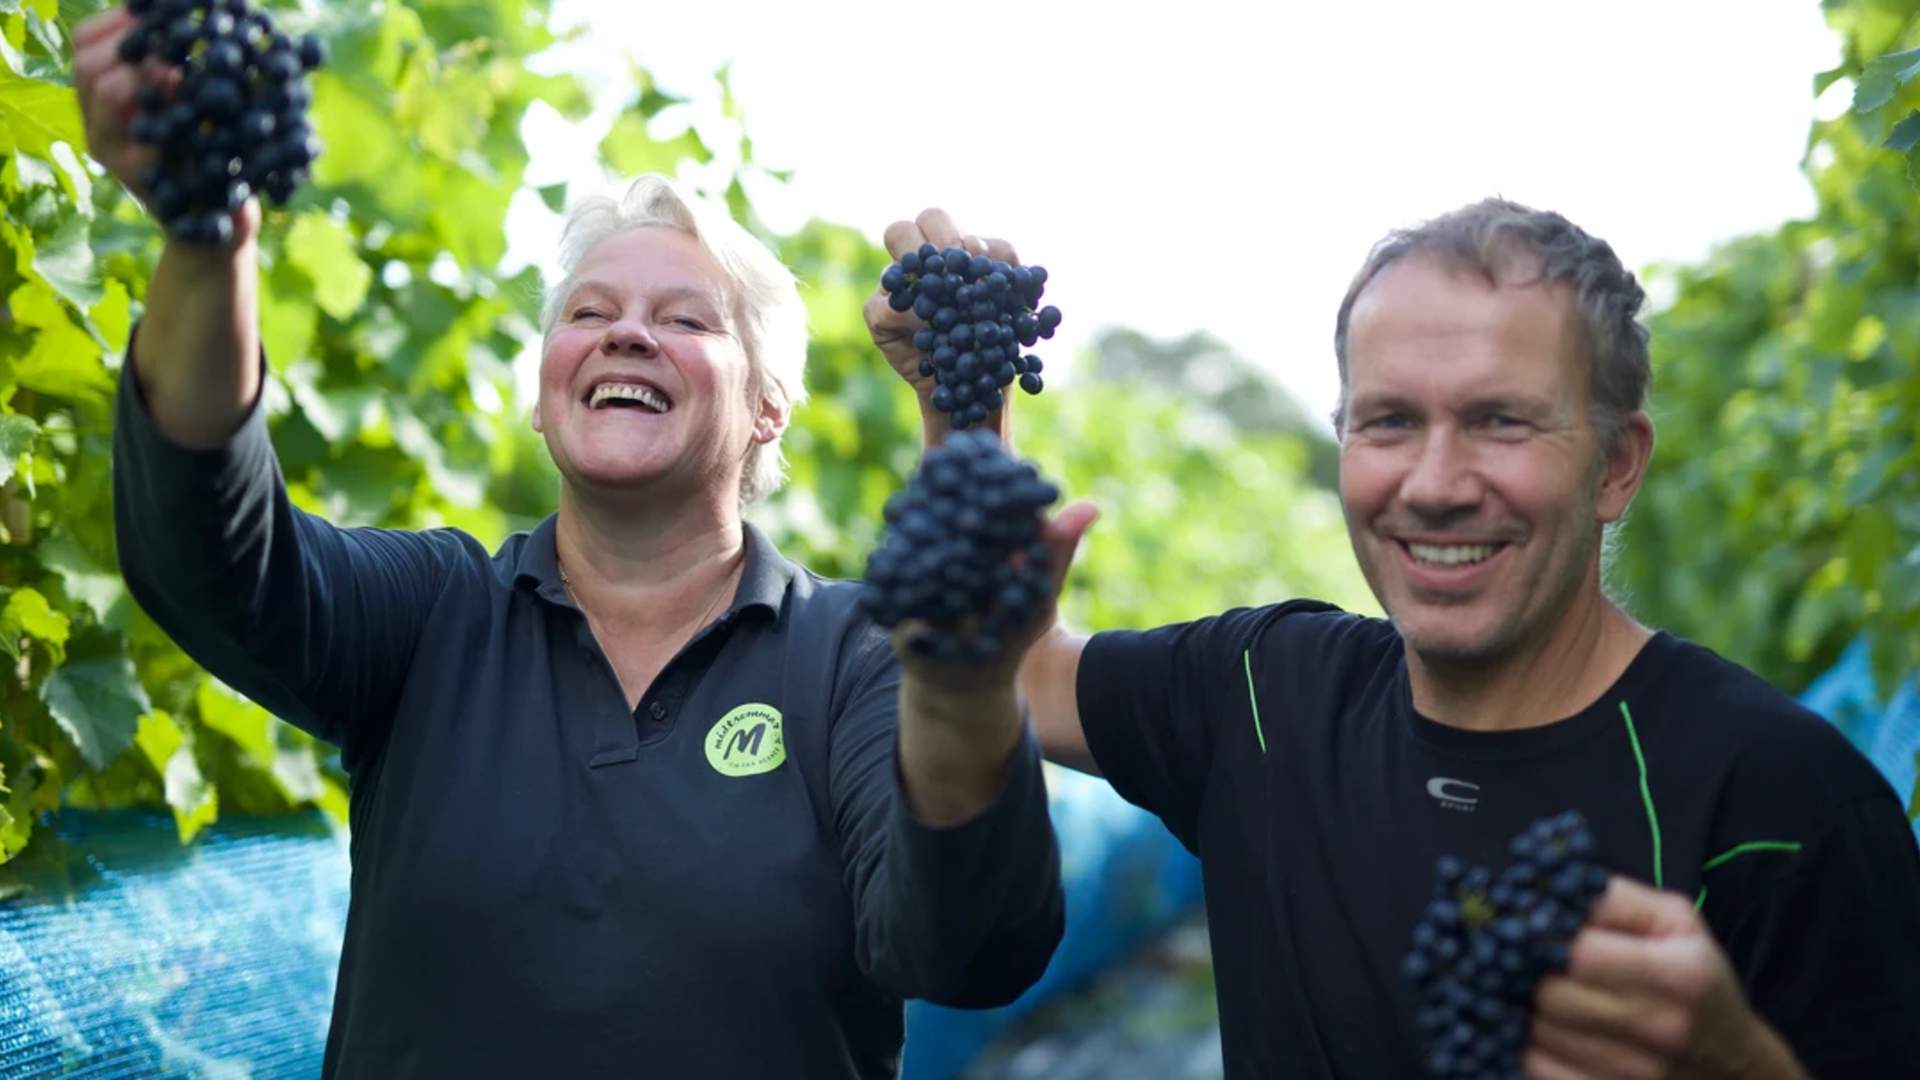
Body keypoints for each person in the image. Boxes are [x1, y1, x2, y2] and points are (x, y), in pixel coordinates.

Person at [75, 8, 1066, 1078]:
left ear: (770, 407)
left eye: (686, 321)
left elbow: (964, 945)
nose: (627, 333)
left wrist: (966, 470)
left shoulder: (855, 657)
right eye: (589, 313)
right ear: (547, 400)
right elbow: (212, 554)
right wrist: (206, 235)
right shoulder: (434, 618)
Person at [868, 200, 1920, 1077]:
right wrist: (963, 401)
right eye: (1388, 423)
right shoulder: (1267, 695)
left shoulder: (1788, 805)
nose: (1434, 484)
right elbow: (1027, 675)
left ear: (1615, 466)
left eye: (1501, 421)